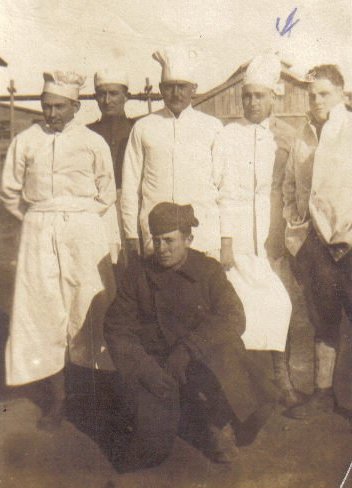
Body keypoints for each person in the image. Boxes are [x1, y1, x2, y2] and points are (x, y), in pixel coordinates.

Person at [104, 202, 277, 472]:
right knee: (150, 451)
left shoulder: (207, 269)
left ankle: (217, 419)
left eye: (170, 241)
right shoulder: (137, 275)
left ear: (188, 239)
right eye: (157, 241)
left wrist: (188, 349)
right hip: (159, 367)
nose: (162, 249)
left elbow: (233, 316)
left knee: (255, 403)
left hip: (201, 360)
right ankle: (178, 411)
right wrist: (147, 371)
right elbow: (117, 330)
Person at [0, 71, 119, 430]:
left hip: (84, 229)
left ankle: (94, 394)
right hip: (38, 230)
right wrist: (37, 218)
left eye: (58, 107)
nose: (50, 113)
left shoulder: (92, 141)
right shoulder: (26, 140)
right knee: (41, 309)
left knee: (87, 304)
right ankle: (58, 397)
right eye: (46, 105)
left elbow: (106, 190)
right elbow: (9, 191)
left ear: (75, 107)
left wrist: (80, 219)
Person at [213, 53, 303, 407]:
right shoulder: (228, 135)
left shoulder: (286, 137)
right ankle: (244, 390)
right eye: (247, 96)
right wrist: (224, 241)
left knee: (280, 306)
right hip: (235, 238)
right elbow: (217, 188)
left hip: (271, 235)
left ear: (272, 97)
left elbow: (291, 188)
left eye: (259, 96)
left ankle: (282, 378)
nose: (252, 102)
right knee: (239, 311)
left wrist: (283, 234)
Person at [283, 65, 352, 419]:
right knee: (323, 320)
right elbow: (291, 186)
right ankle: (323, 394)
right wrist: (296, 229)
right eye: (312, 95)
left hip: (350, 244)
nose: (317, 100)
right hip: (316, 246)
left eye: (324, 93)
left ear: (341, 93)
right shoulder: (304, 134)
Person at [121, 45, 228, 261]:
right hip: (157, 236)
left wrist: (225, 239)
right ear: (161, 89)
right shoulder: (144, 127)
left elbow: (224, 186)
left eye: (182, 86)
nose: (176, 93)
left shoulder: (212, 127)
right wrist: (132, 236)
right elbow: (131, 186)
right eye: (169, 87)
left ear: (193, 89)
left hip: (202, 233)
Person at [88, 68, 134, 260]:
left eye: (114, 93)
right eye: (102, 94)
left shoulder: (137, 129)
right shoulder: (88, 133)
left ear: (126, 96)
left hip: (132, 204)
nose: (107, 100)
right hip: (99, 207)